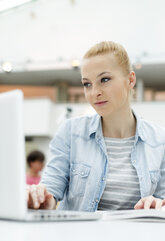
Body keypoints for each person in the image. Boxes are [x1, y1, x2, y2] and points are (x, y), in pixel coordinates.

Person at [27, 41, 165, 211]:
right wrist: (43, 199)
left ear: (130, 80)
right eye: (87, 84)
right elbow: (51, 186)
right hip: (80, 236)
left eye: (104, 80)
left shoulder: (160, 140)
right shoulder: (71, 132)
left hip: (137, 236)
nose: (94, 92)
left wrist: (159, 204)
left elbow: (162, 199)